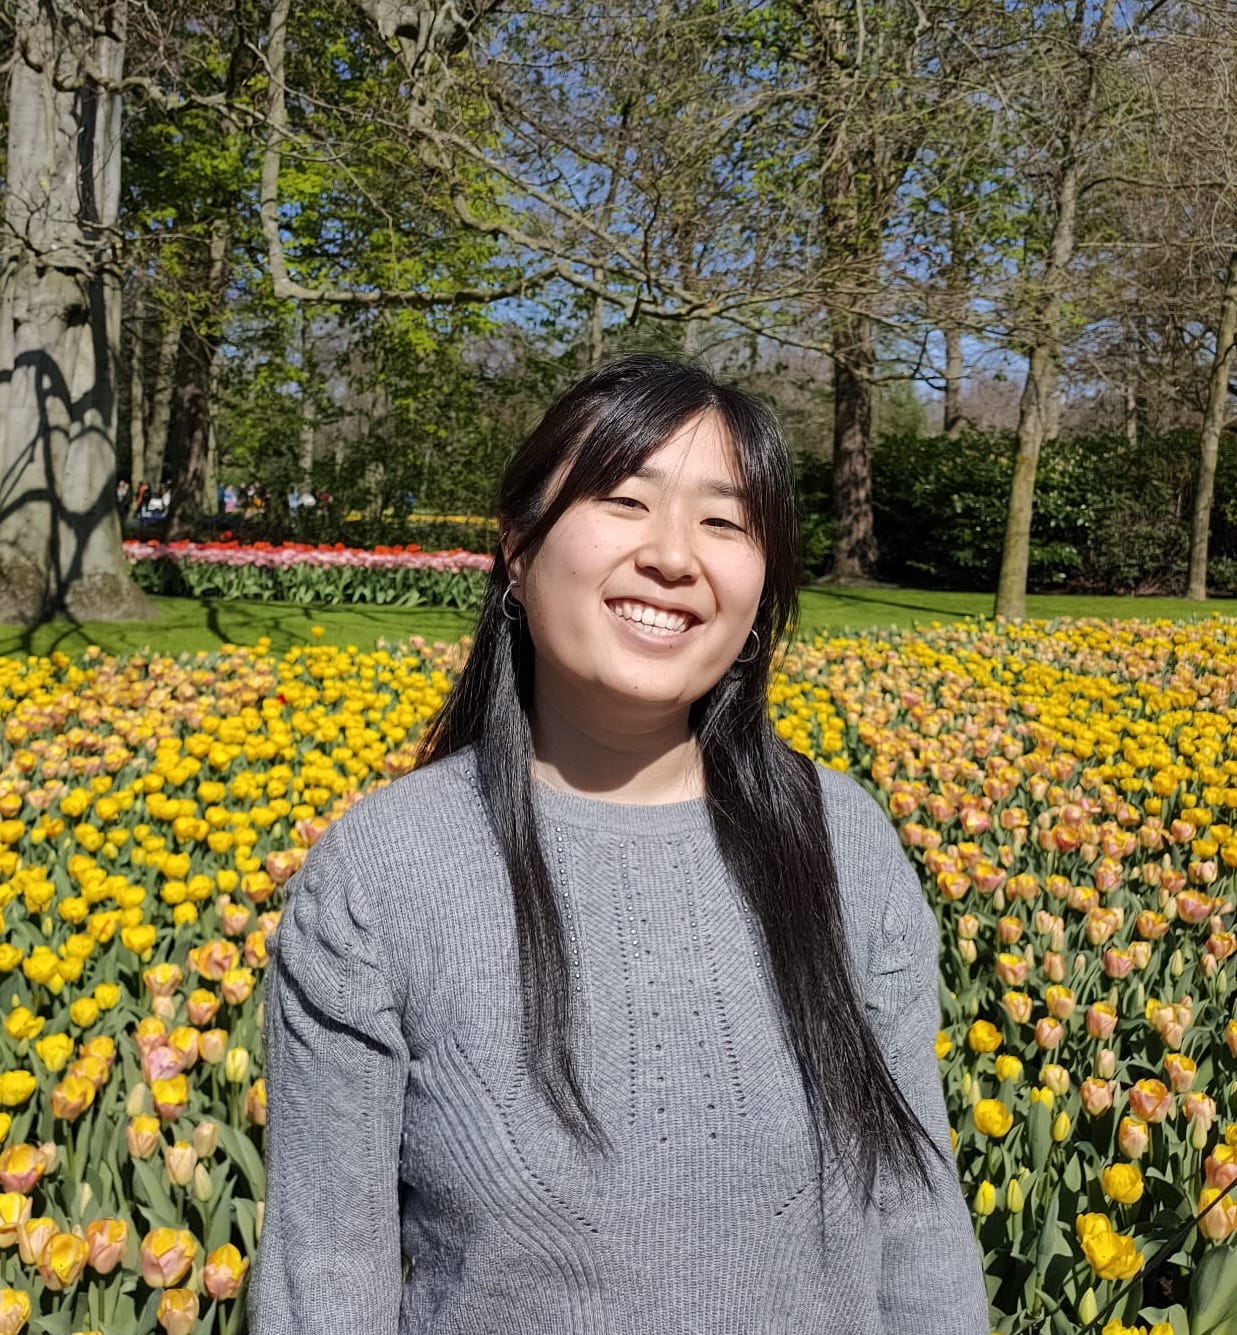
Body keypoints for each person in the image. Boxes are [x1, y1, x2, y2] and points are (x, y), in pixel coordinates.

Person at [249, 354, 990, 1334]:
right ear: (518, 548)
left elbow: (919, 1230)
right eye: (624, 501)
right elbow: (324, 1278)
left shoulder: (841, 844)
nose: (674, 556)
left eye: (724, 522)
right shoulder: (385, 874)